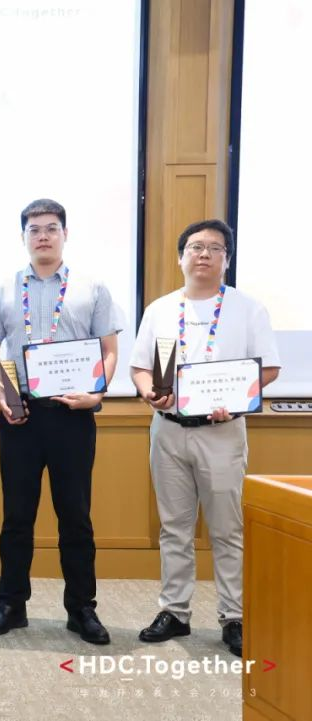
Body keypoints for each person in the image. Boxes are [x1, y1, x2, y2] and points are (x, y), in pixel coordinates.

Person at [130, 219, 280, 658]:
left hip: (222, 432)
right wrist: (148, 392)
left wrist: (236, 400)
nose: (204, 254)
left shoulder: (248, 309)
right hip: (168, 430)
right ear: (181, 257)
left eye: (215, 248)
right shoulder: (160, 309)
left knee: (227, 529)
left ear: (226, 261)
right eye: (196, 247)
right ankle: (174, 612)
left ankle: (234, 616)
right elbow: (141, 368)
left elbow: (269, 368)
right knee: (174, 527)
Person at [0, 198, 121, 645]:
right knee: (16, 516)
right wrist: (1, 393)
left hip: (72, 417)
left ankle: (81, 609)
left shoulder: (92, 288)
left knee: (75, 516)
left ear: (65, 234)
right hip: (20, 417)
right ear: (24, 237)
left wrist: (96, 394)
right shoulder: (2, 289)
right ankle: (11, 604)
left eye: (51, 228)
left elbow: (109, 349)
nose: (43, 236)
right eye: (34, 229)